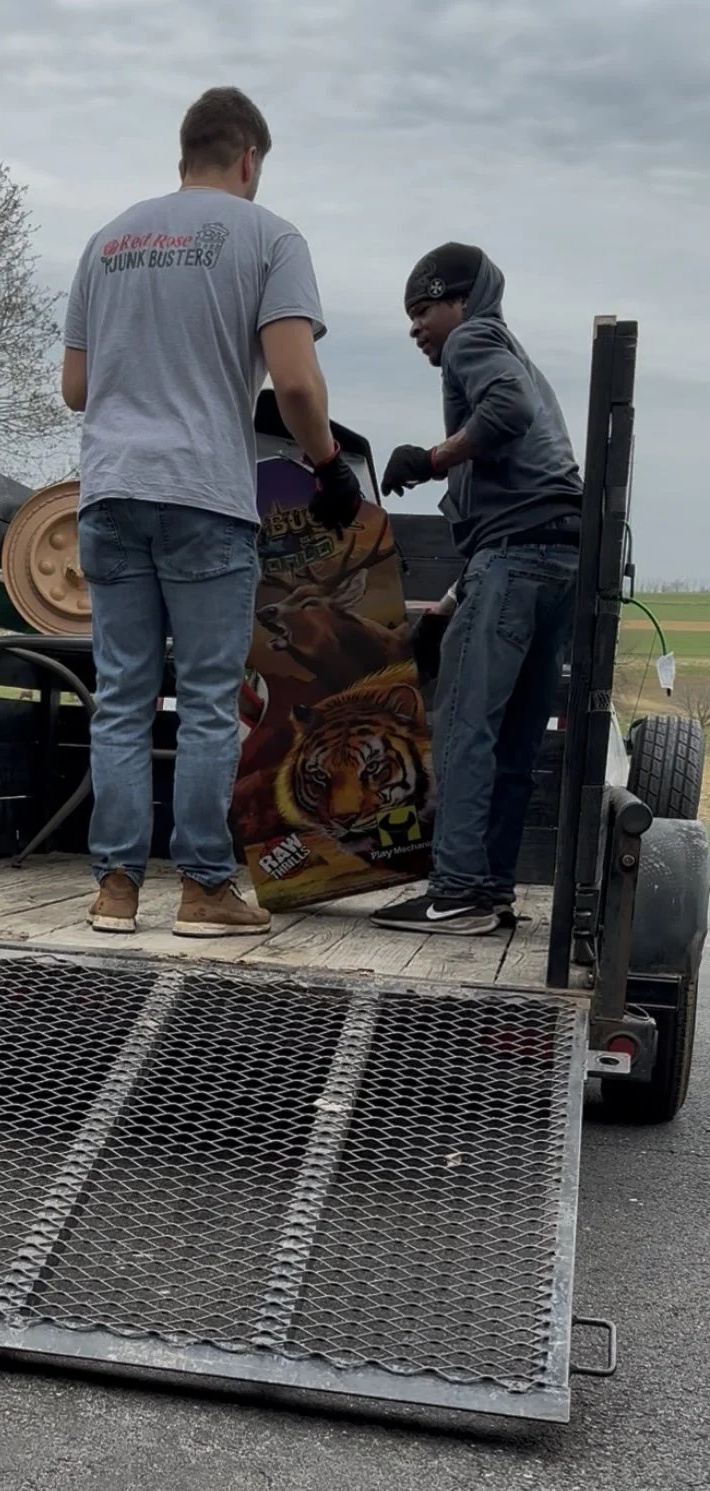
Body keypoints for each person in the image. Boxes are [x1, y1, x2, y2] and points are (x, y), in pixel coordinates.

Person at [61, 86, 361, 937]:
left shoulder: (106, 239)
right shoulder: (270, 238)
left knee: (119, 696)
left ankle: (114, 891)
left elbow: (75, 389)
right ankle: (200, 890)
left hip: (111, 490)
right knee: (203, 701)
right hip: (203, 495)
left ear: (183, 155)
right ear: (248, 159)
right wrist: (326, 464)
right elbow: (296, 383)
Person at [376, 244, 583, 935]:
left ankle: (455, 892)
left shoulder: (474, 337)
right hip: (554, 564)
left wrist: (431, 459)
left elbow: (506, 412)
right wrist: (447, 605)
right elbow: (526, 501)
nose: (415, 328)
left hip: (516, 561)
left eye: (422, 309)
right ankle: (490, 890)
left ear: (459, 300)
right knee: (515, 737)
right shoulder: (510, 348)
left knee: (465, 728)